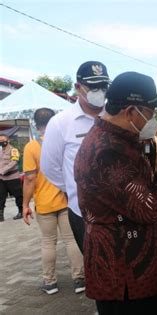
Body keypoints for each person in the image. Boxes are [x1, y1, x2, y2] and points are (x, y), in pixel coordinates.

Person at [74, 71, 157, 314]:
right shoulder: (106, 150)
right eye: (150, 114)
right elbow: (149, 208)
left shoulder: (124, 139)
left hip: (143, 273)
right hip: (127, 279)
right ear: (130, 112)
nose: (154, 122)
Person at [41, 61, 110, 252]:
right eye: (93, 86)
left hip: (118, 210)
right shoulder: (60, 123)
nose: (99, 91)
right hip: (83, 213)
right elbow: (50, 167)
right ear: (78, 87)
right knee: (97, 269)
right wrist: (75, 188)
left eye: (103, 86)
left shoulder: (115, 116)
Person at [22, 108, 85, 295]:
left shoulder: (31, 147)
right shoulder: (62, 141)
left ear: (35, 124)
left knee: (48, 242)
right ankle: (79, 279)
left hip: (44, 203)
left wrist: (25, 204)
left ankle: (50, 283)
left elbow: (30, 178)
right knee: (71, 240)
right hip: (66, 201)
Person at [0, 134, 23, 221]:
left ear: (8, 140)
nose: (1, 142)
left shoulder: (14, 150)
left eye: (3, 140)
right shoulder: (0, 151)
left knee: (18, 196)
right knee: (1, 196)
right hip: (2, 179)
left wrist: (2, 170)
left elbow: (14, 162)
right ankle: (1, 215)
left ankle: (21, 211)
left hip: (13, 177)